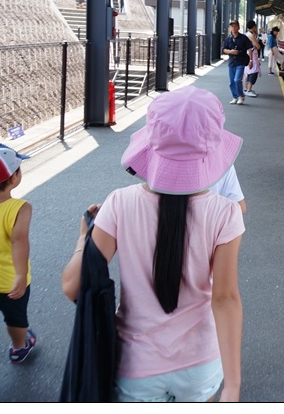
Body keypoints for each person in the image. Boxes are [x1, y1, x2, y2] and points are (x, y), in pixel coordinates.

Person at [61, 87, 244, 402]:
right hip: (201, 366)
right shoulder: (225, 213)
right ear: (211, 150)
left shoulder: (119, 203)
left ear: (152, 144)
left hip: (135, 366)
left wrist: (83, 240)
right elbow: (225, 300)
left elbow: (73, 287)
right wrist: (232, 386)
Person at [0, 143, 36, 364]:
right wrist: (20, 274)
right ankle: (19, 347)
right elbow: (19, 241)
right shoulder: (20, 208)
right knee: (16, 319)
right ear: (13, 177)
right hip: (10, 282)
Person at [222, 21, 252, 105]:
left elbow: (250, 48)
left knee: (237, 80)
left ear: (239, 27)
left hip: (241, 61)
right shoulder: (228, 38)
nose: (233, 28)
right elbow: (223, 49)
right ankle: (235, 97)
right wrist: (230, 51)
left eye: (235, 26)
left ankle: (241, 96)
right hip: (231, 62)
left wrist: (251, 60)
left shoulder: (243, 38)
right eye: (232, 27)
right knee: (231, 82)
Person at [243, 20, 261, 98]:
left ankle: (245, 89)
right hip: (251, 56)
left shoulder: (247, 34)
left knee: (247, 73)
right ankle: (248, 90)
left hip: (248, 56)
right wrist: (251, 60)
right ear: (253, 27)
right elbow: (257, 46)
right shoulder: (250, 35)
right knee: (253, 73)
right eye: (255, 27)